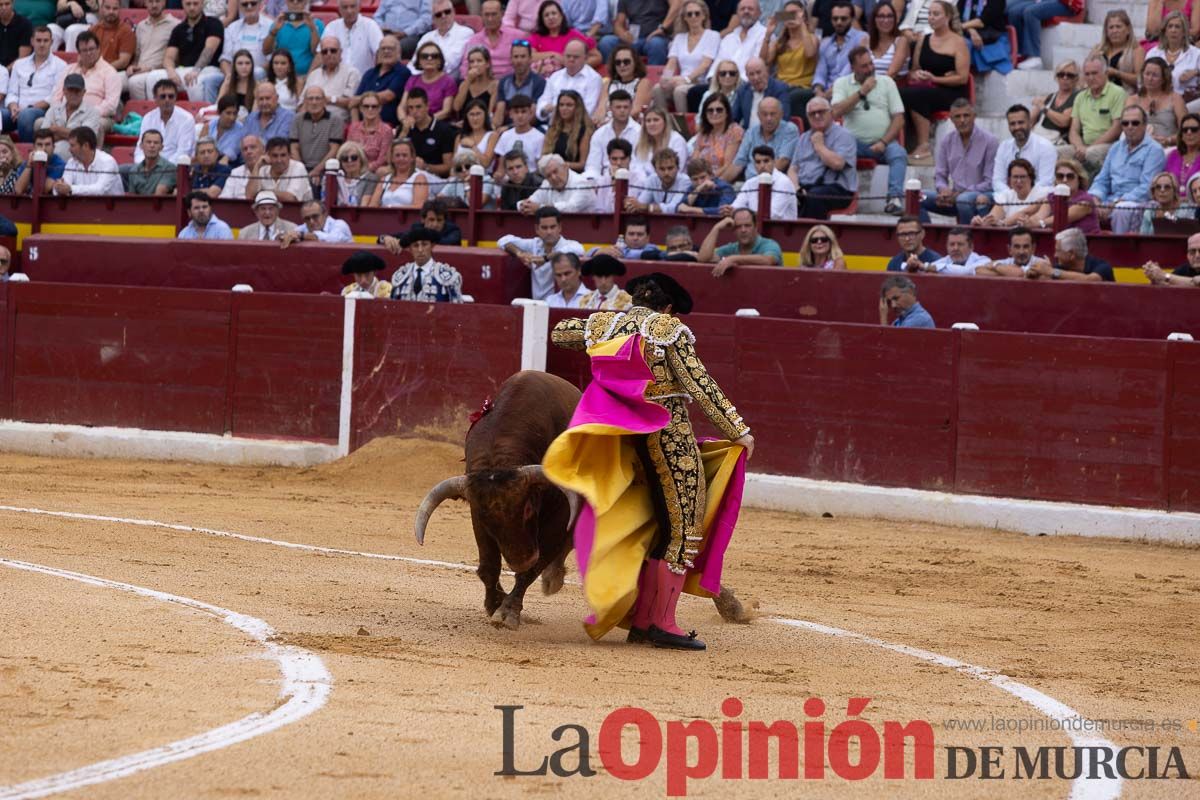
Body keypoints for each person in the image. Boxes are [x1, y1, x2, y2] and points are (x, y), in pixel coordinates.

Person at [543, 271, 754, 650]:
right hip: (668, 431)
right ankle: (664, 622)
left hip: (622, 437)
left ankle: (641, 619)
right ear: (668, 308)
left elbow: (561, 333)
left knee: (647, 521)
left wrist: (609, 326)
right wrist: (737, 429)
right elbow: (698, 382)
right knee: (683, 526)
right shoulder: (666, 328)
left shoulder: (607, 322)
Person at [832, 45, 906, 214]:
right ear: (853, 68)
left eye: (871, 63)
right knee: (836, 154)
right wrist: (861, 92)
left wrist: (883, 141)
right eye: (864, 66)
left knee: (899, 154)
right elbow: (835, 112)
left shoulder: (887, 82)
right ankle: (842, 200)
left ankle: (894, 199)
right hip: (853, 143)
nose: (870, 68)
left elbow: (899, 118)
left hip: (883, 142)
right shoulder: (842, 83)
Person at [898, 0, 969, 163]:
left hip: (952, 91)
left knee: (915, 95)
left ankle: (924, 146)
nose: (931, 18)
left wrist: (935, 78)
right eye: (929, 14)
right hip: (926, 87)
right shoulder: (924, 39)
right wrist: (917, 75)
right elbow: (914, 69)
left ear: (948, 17)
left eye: (936, 14)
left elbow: (962, 77)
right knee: (906, 93)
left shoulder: (958, 42)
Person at [1091, 106, 1167, 234]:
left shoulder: (1154, 150)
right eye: (1125, 123)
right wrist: (1096, 199)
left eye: (1135, 123)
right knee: (1084, 204)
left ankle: (1120, 250)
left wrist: (1117, 202)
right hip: (1110, 200)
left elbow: (1147, 187)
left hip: (1136, 202)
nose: (1130, 126)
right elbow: (1102, 179)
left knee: (1122, 209)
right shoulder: (1115, 148)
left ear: (1144, 125)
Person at [921, 98, 997, 223]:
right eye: (957, 117)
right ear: (951, 119)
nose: (962, 120)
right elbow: (940, 175)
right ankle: (926, 237)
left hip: (980, 196)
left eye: (966, 115)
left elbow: (990, 182)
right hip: (953, 197)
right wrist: (943, 190)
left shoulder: (990, 141)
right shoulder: (947, 141)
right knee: (918, 197)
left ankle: (965, 238)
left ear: (974, 116)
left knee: (963, 199)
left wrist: (960, 193)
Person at [497, 205, 585, 300]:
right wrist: (519, 254)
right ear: (537, 229)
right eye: (544, 228)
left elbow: (579, 249)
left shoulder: (568, 245)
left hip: (558, 305)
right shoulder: (534, 244)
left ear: (559, 227)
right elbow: (503, 240)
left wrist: (545, 258)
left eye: (552, 227)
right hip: (536, 305)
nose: (549, 232)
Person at [792, 95, 857, 219]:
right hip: (805, 187)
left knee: (813, 198)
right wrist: (796, 189)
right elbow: (793, 168)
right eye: (812, 114)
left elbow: (837, 164)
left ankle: (811, 234)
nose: (817, 116)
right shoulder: (804, 138)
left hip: (836, 189)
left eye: (821, 112)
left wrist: (819, 146)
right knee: (781, 194)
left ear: (831, 113)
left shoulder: (844, 135)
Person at [1061, 55, 1126, 175]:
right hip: (1084, 145)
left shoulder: (1117, 93)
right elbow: (1074, 130)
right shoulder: (1080, 96)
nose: (1091, 78)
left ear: (1105, 73)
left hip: (1109, 145)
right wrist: (1080, 147)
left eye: (1095, 73)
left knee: (1092, 153)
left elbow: (1117, 128)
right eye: (1087, 74)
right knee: (1058, 152)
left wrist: (1088, 148)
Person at [652, 0, 720, 113]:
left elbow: (705, 64)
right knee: (658, 88)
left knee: (679, 91)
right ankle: (663, 122)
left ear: (704, 16)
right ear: (684, 18)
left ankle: (684, 126)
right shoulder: (679, 38)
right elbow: (671, 62)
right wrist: (666, 78)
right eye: (689, 14)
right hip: (681, 80)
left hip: (700, 82)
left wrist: (687, 79)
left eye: (697, 13)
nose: (693, 17)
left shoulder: (712, 35)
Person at [148, 0, 223, 95]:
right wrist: (171, 72)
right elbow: (169, 57)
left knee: (194, 82)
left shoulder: (214, 23)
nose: (192, 7)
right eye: (188, 4)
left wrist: (196, 70)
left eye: (195, 3)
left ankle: (197, 110)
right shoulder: (178, 29)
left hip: (208, 69)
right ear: (182, 4)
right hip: (184, 70)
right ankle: (157, 109)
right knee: (153, 77)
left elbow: (209, 51)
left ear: (202, 4)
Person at [760, 1, 818, 120]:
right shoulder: (780, 42)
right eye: (787, 14)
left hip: (803, 87)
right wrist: (768, 35)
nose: (791, 17)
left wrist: (801, 24)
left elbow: (810, 53)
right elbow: (763, 61)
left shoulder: (812, 38)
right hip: (782, 85)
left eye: (794, 14)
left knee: (790, 97)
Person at [50, 30, 119, 129]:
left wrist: (84, 114)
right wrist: (60, 114)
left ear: (99, 49)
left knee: (92, 126)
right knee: (39, 123)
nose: (89, 53)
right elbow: (56, 97)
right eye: (85, 50)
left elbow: (111, 105)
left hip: (96, 116)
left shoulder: (110, 72)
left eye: (92, 49)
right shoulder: (69, 69)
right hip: (65, 114)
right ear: (79, 52)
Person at [4, 25, 61, 142]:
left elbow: (55, 96)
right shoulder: (19, 64)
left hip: (42, 111)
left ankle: (26, 155)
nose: (42, 44)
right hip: (16, 111)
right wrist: (13, 106)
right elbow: (12, 92)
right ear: (32, 41)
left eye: (46, 41)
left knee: (26, 116)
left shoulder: (60, 65)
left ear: (52, 42)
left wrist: (28, 109)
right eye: (38, 40)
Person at [721, 96, 798, 183]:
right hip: (748, 184)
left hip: (773, 183)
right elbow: (738, 164)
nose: (768, 118)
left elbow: (782, 162)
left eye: (773, 114)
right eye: (764, 114)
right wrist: (719, 184)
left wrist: (756, 182)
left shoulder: (790, 130)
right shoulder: (751, 132)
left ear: (781, 114)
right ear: (758, 115)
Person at [207, 0, 270, 104]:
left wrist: (247, 71)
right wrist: (229, 75)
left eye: (253, 3)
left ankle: (252, 111)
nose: (249, 7)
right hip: (234, 72)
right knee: (210, 80)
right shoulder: (232, 28)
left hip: (257, 71)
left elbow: (271, 60)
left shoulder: (270, 26)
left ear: (260, 4)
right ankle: (211, 112)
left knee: (257, 72)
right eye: (244, 4)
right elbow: (224, 59)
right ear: (239, 6)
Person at [811, 0, 866, 111]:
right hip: (826, 94)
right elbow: (820, 73)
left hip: (850, 90)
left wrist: (829, 93)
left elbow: (850, 71)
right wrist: (818, 91)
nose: (839, 22)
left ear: (852, 19)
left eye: (843, 19)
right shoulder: (826, 43)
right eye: (835, 19)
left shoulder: (861, 38)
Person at [699, 207, 783, 277]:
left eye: (747, 225)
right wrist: (716, 228)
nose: (743, 230)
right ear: (733, 230)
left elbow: (768, 260)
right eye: (738, 226)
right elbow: (703, 258)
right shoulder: (731, 248)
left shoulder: (769, 244)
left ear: (756, 227)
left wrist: (733, 259)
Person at [389, 224, 464, 302]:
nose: (420, 250)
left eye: (424, 244)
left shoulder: (448, 275)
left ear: (432, 246)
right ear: (410, 249)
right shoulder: (400, 276)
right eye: (415, 245)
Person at [36, 71, 98, 160]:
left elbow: (85, 139)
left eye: (77, 91)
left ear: (84, 92)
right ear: (64, 91)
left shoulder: (92, 112)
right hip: (51, 148)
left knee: (59, 150)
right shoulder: (54, 109)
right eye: (70, 90)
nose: (73, 94)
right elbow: (43, 136)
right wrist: (70, 134)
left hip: (79, 154)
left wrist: (57, 129)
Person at [126, 0, 181, 101]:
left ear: (164, 2)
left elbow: (176, 59)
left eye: (158, 1)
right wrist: (132, 66)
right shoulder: (141, 26)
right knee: (113, 79)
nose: (154, 5)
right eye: (150, 1)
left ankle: (146, 114)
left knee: (135, 82)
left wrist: (150, 68)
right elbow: (137, 55)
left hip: (160, 70)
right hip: (140, 70)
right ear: (145, 3)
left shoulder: (175, 25)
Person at [528, 0, 597, 79]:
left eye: (554, 13)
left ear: (561, 16)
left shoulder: (574, 35)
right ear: (542, 20)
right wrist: (554, 55)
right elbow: (529, 57)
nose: (551, 17)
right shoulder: (536, 37)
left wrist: (576, 66)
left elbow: (596, 56)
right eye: (546, 15)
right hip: (541, 79)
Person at [538, 39, 601, 122]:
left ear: (585, 58)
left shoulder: (594, 78)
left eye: (576, 57)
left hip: (578, 127)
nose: (571, 59)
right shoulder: (555, 76)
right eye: (568, 56)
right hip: (551, 125)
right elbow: (543, 102)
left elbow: (589, 110)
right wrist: (544, 111)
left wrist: (557, 110)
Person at [396, 88, 454, 178]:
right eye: (410, 108)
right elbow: (390, 158)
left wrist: (426, 166)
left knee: (419, 177)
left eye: (418, 107)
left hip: (432, 176)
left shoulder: (443, 129)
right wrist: (404, 132)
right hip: (406, 173)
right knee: (382, 172)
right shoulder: (404, 128)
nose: (414, 111)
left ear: (427, 106)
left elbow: (448, 167)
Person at [974, 157, 1049, 226]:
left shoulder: (1043, 193)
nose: (1018, 181)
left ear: (1031, 178)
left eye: (1022, 177)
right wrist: (980, 221)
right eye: (1015, 177)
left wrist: (1003, 223)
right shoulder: (1006, 196)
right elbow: (992, 218)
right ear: (1009, 179)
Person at [728, 144, 798, 219]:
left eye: (766, 161)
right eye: (758, 162)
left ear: (774, 162)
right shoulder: (750, 183)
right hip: (754, 227)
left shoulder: (784, 182)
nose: (762, 166)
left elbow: (773, 214)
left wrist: (743, 213)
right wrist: (730, 210)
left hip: (782, 228)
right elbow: (737, 206)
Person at [1128, 57, 1185, 148]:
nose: (1150, 78)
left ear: (1163, 79)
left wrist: (1169, 140)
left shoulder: (1175, 99)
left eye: (1155, 75)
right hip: (1139, 146)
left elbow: (1186, 130)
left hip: (1168, 147)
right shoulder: (1133, 100)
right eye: (1147, 74)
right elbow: (1126, 128)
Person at [304, 34, 361, 126]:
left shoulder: (351, 73)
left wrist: (329, 99)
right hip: (311, 122)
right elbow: (303, 101)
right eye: (325, 52)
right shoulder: (314, 74)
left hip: (338, 123)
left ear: (340, 52)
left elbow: (351, 102)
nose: (329, 54)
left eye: (333, 50)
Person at [289, 85, 343, 182]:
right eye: (310, 99)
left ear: (324, 101)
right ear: (305, 101)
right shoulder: (297, 119)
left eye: (318, 98)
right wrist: (302, 172)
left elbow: (334, 150)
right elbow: (294, 147)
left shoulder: (335, 120)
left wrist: (317, 171)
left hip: (326, 170)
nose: (314, 102)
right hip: (301, 169)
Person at [1032, 156, 1100, 232]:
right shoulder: (1051, 197)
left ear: (1079, 178)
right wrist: (1027, 222)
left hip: (1084, 241)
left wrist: (1039, 223)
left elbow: (1062, 218)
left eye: (1070, 176)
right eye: (1060, 176)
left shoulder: (1085, 200)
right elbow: (1039, 216)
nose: (1064, 180)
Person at [598, 0, 674, 66]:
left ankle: (653, 79)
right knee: (606, 42)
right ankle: (610, 78)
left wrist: (663, 28)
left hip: (655, 36)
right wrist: (623, 34)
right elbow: (618, 23)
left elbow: (677, 5)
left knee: (656, 44)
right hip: (634, 38)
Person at [48, 124, 120, 195]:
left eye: (72, 145)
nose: (69, 149)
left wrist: (70, 189)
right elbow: (64, 186)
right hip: (81, 205)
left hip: (112, 206)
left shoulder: (107, 162)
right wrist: (58, 188)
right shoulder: (71, 162)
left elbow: (99, 189)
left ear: (86, 145)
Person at [354, 35, 408, 127]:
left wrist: (361, 100)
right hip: (363, 125)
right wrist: (355, 126)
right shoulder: (369, 73)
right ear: (378, 53)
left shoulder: (403, 72)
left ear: (399, 52)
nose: (386, 51)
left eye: (390, 48)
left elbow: (388, 96)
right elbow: (354, 102)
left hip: (389, 126)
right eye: (383, 49)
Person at [1024, 226, 1114, 281]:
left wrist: (1050, 271)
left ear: (1072, 254)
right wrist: (1035, 273)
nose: (1055, 255)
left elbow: (1091, 280)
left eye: (1058, 251)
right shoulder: (1060, 268)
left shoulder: (1102, 267)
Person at [585, 87, 639, 176]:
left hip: (632, 179)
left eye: (626, 107)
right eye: (618, 107)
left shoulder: (639, 132)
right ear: (610, 108)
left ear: (631, 108)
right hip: (603, 181)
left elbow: (640, 166)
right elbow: (592, 166)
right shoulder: (599, 134)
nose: (622, 110)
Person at [263, 0, 324, 77]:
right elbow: (266, 51)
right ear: (286, 2)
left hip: (307, 76)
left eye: (299, 0)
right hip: (282, 76)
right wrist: (274, 31)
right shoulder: (278, 23)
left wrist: (312, 29)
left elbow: (317, 53)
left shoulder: (317, 24)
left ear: (306, 1)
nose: (295, 2)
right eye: (291, 0)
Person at [593, 43, 651, 124]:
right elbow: (601, 109)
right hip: (606, 126)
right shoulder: (608, 83)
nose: (622, 65)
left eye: (626, 62)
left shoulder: (643, 83)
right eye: (618, 62)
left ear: (635, 63)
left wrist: (612, 123)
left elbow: (635, 111)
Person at [378, 197, 462, 252]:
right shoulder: (417, 227)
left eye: (439, 220)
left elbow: (446, 242)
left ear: (444, 220)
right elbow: (401, 236)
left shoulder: (453, 230)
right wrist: (385, 238)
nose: (435, 224)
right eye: (431, 220)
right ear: (423, 219)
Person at [323, 0, 382, 78]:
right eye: (345, 7)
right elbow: (320, 54)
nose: (349, 11)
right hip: (336, 80)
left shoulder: (370, 25)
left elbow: (380, 52)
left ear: (359, 7)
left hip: (363, 81)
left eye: (352, 6)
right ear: (339, 9)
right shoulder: (332, 27)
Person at [518, 152, 593, 213]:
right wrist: (523, 205)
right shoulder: (547, 183)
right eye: (548, 175)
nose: (553, 177)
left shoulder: (582, 183)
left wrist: (540, 208)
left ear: (565, 167)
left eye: (555, 171)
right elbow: (532, 201)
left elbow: (571, 208)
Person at [466, 0, 523, 79]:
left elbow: (526, 61)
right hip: (482, 83)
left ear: (502, 14)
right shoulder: (474, 40)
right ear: (481, 15)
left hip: (510, 82)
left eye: (494, 14)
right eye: (486, 15)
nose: (490, 19)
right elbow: (465, 67)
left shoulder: (517, 36)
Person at [415, 0, 474, 76]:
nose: (443, 16)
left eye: (447, 12)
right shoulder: (426, 37)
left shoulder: (465, 33)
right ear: (433, 19)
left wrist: (426, 66)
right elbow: (414, 62)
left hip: (446, 77)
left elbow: (451, 62)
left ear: (453, 12)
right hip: (423, 77)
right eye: (438, 14)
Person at [730, 57, 790, 131]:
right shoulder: (743, 90)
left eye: (758, 72)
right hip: (748, 136)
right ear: (747, 76)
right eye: (751, 74)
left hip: (772, 135)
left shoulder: (779, 88)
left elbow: (784, 118)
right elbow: (733, 118)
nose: (756, 77)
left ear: (766, 71)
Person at [689, 92, 742, 175]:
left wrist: (708, 179)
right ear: (705, 114)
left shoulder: (734, 131)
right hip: (699, 178)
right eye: (710, 110)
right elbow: (694, 162)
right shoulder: (704, 132)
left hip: (720, 179)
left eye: (719, 110)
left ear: (727, 112)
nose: (714, 113)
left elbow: (727, 165)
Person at [368, 137, 429, 208]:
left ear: (412, 158)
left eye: (405, 155)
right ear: (392, 158)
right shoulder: (384, 180)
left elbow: (419, 206)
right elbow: (372, 206)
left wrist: (391, 208)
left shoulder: (419, 178)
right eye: (397, 155)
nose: (401, 159)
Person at [1030, 60, 1080, 145]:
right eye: (1061, 75)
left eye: (1070, 75)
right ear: (1056, 77)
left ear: (1076, 78)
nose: (1065, 78)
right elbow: (1029, 121)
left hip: (1058, 142)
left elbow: (1064, 121)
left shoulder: (1077, 96)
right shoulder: (1050, 97)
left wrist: (1043, 108)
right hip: (1041, 138)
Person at [542, 88, 592, 172]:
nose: (564, 108)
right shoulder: (552, 129)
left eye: (569, 105)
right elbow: (544, 156)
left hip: (574, 175)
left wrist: (560, 165)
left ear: (577, 108)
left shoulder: (585, 131)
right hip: (552, 172)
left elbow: (582, 164)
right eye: (561, 105)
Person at [905, 225, 989, 275]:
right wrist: (913, 266)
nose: (955, 248)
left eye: (960, 244)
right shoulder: (944, 261)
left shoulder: (983, 261)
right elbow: (925, 270)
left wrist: (925, 266)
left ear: (971, 247)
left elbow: (966, 271)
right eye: (952, 244)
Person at [248, 135, 312, 201]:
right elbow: (250, 196)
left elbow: (291, 198)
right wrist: (257, 166)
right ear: (267, 155)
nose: (279, 160)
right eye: (275, 156)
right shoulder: (262, 169)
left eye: (283, 155)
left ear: (289, 155)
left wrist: (262, 193)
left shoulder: (298, 167)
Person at [495, 40, 546, 122]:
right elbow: (499, 114)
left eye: (523, 57)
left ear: (530, 59)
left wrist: (508, 128)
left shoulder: (539, 82)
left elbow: (532, 117)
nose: (519, 61)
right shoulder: (504, 82)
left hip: (530, 128)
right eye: (516, 57)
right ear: (511, 59)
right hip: (506, 130)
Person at [1091, 10, 1141, 92]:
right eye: (1111, 27)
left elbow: (1140, 80)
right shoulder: (1097, 49)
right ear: (1106, 31)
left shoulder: (1136, 50)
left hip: (1125, 98)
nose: (1114, 31)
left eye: (1118, 27)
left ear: (1128, 29)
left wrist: (1117, 73)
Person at [629, 147, 690, 214]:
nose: (666, 173)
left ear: (678, 168)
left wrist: (647, 207)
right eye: (662, 169)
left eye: (670, 168)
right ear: (655, 170)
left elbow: (675, 207)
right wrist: (632, 204)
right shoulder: (652, 179)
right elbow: (642, 202)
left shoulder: (685, 181)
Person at [975, 225, 1052, 276]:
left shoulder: (1041, 263)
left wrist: (996, 267)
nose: (1021, 252)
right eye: (1017, 247)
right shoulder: (1006, 262)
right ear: (1009, 249)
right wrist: (1007, 272)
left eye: (1025, 246)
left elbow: (1019, 274)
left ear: (1033, 248)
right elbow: (978, 271)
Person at [493, 93, 545, 168]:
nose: (520, 115)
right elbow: (501, 165)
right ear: (510, 114)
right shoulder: (505, 135)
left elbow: (539, 166)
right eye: (516, 112)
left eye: (523, 111)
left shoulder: (540, 137)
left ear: (530, 113)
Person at [12, 127, 64, 195]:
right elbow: (18, 190)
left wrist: (42, 164)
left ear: (53, 147)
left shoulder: (59, 164)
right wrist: (29, 166)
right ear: (34, 147)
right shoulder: (28, 163)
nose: (44, 148)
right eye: (40, 145)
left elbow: (44, 190)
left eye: (47, 144)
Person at [452, 46, 498, 121]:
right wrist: (468, 81)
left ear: (487, 64)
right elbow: (457, 107)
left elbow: (490, 112)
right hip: (464, 124)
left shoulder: (494, 85)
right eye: (472, 62)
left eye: (479, 61)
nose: (475, 65)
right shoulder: (465, 84)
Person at [125, 129, 176, 195]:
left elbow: (160, 193)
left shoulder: (169, 168)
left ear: (161, 147)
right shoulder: (134, 170)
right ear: (141, 146)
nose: (152, 146)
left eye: (156, 143)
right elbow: (131, 199)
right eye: (148, 142)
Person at [280, 199, 353, 245]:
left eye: (315, 216)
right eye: (307, 218)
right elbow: (291, 233)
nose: (311, 221)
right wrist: (286, 236)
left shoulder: (340, 224)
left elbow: (333, 239)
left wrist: (302, 236)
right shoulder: (304, 227)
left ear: (325, 214)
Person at [869, 1, 911, 78]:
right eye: (881, 16)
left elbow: (892, 73)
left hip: (895, 86)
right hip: (868, 86)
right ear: (874, 19)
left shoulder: (901, 41)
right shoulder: (865, 41)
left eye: (890, 16)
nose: (886, 20)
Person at [592, 214, 661, 259]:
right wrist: (598, 251)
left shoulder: (653, 250)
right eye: (631, 234)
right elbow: (588, 253)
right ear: (625, 236)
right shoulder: (620, 248)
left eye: (640, 234)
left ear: (647, 238)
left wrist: (620, 253)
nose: (635, 238)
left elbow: (647, 254)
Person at [1166, 112, 1200, 190]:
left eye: (1194, 129)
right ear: (1181, 135)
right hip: (1173, 200)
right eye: (1185, 130)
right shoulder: (1173, 155)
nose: (1189, 132)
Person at [0, 0, 32, 69]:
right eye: (0, 5)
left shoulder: (25, 24)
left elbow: (23, 58)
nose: (4, 8)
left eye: (7, 4)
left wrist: (4, 72)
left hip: (17, 71)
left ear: (13, 4)